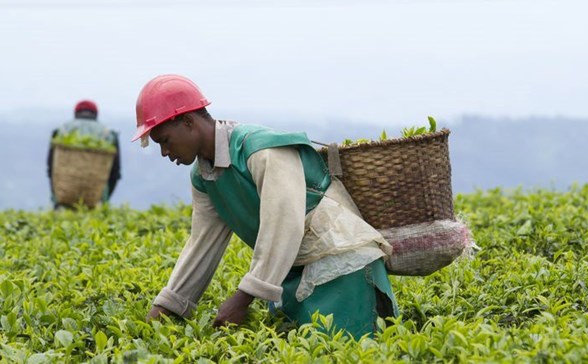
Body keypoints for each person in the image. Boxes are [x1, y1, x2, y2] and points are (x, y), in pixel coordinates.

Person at [132, 74, 398, 338]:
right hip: (294, 274)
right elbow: (202, 244)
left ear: (188, 121)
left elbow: (284, 225)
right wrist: (166, 307)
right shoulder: (204, 176)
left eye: (165, 141)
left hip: (343, 262)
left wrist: (243, 298)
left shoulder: (260, 150)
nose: (165, 153)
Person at [47, 100, 121, 209]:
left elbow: (51, 168)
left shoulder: (61, 131)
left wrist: (56, 196)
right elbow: (115, 172)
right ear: (96, 114)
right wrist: (105, 199)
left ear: (75, 114)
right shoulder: (108, 134)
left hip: (63, 201)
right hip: (97, 200)